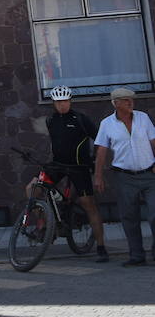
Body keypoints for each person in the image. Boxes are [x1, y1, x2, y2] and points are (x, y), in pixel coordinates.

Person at [94, 86, 155, 267]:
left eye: (131, 100)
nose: (131, 103)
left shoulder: (143, 118)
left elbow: (153, 142)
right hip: (124, 177)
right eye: (126, 100)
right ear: (116, 103)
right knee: (129, 216)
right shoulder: (107, 124)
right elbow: (102, 151)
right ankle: (137, 255)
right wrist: (98, 176)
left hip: (149, 174)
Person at [45, 86, 107, 262]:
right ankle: (49, 225)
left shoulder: (81, 119)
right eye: (58, 102)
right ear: (54, 103)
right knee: (33, 189)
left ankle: (101, 247)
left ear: (70, 101)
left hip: (79, 167)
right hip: (58, 165)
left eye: (64, 101)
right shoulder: (51, 120)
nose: (61, 105)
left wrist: (94, 161)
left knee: (89, 204)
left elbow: (99, 139)